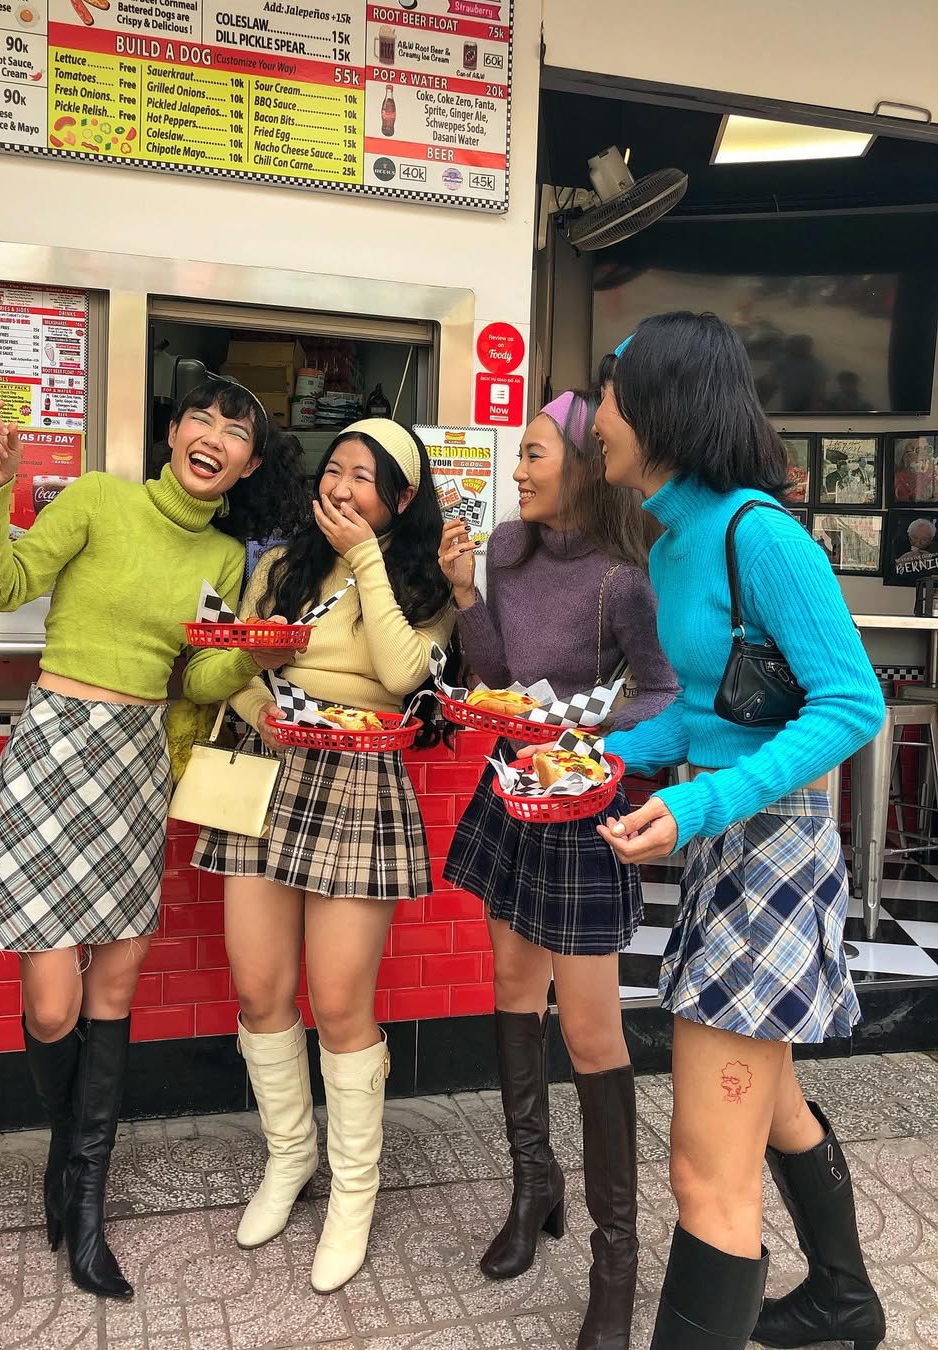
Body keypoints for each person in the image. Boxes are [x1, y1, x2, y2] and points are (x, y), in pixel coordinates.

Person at [0, 379, 306, 1302]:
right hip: (52, 749)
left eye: (238, 431)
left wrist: (259, 652)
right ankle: (65, 1156)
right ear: (174, 430)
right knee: (52, 1008)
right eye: (204, 418)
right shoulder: (95, 500)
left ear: (249, 465)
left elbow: (200, 677)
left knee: (113, 990)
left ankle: (85, 1201)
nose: (216, 437)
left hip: (136, 762)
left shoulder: (226, 556)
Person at [595, 313, 887, 1349]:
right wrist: (606, 751)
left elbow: (852, 705)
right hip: (729, 838)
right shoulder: (676, 541)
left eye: (610, 396)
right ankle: (846, 1300)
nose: (596, 420)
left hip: (773, 844)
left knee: (705, 1175)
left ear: (663, 403)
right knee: (771, 1105)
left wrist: (698, 804)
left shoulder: (760, 535)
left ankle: (835, 1299)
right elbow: (707, 712)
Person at [192, 419, 454, 1294]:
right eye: (333, 469)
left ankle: (353, 1192)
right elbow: (237, 661)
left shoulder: (427, 581)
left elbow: (404, 675)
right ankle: (290, 1155)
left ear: (401, 500)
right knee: (260, 989)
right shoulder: (280, 567)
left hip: (359, 781)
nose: (340, 487)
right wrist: (257, 707)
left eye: (363, 477)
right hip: (266, 772)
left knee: (340, 1003)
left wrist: (367, 561)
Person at [438, 390, 677, 1346]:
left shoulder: (625, 579)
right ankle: (533, 1184)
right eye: (521, 454)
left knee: (589, 1031)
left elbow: (662, 690)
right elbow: (495, 677)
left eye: (535, 454)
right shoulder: (506, 550)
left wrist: (587, 729)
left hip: (580, 804)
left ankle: (615, 1262)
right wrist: (465, 595)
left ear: (583, 465)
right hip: (511, 790)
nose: (519, 470)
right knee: (510, 987)